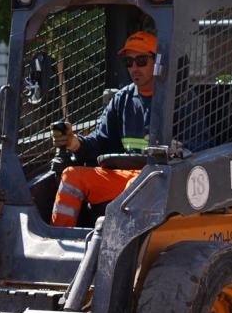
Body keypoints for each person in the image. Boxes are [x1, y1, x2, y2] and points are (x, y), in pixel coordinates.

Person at [50, 31, 157, 227]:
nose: (134, 67)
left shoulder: (178, 99)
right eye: (129, 62)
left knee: (137, 187)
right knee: (71, 176)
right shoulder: (122, 99)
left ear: (157, 62)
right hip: (125, 176)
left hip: (160, 181)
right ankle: (62, 241)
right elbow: (101, 141)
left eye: (141, 60)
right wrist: (75, 142)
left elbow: (198, 145)